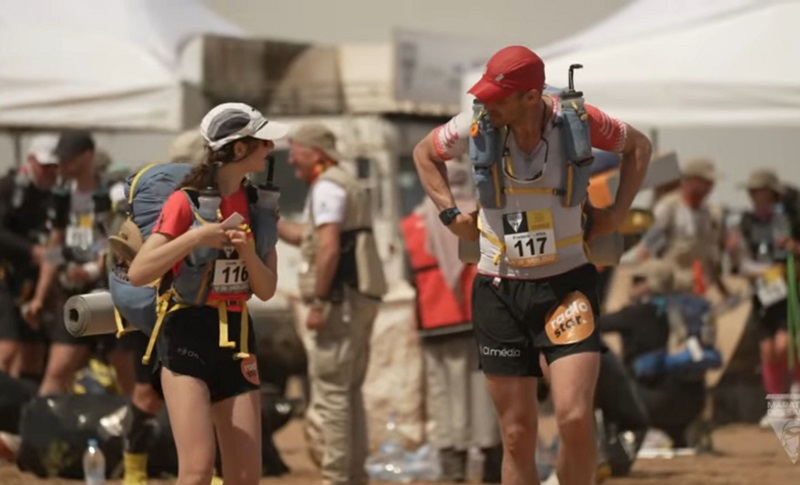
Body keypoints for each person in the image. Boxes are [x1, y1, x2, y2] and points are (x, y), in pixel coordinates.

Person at [412, 45, 651, 485]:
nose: (486, 104)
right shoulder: (476, 124)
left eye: (498, 96)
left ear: (530, 96)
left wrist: (616, 213)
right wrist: (450, 215)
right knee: (518, 434)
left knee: (575, 416)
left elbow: (638, 146)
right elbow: (423, 154)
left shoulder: (577, 121)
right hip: (499, 291)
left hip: (567, 289)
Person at [128, 102, 285, 485]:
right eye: (262, 141)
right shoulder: (186, 202)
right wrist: (198, 236)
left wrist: (246, 249)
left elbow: (265, 290)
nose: (271, 148)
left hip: (237, 336)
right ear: (238, 148)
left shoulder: (257, 207)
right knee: (197, 472)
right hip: (187, 333)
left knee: (246, 476)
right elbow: (139, 272)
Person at [277, 123, 386, 485]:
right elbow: (310, 237)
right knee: (348, 392)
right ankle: (353, 475)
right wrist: (269, 219)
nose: (291, 158)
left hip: (340, 301)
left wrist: (320, 301)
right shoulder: (340, 182)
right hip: (358, 297)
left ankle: (336, 477)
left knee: (332, 394)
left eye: (297, 150)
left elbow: (327, 247)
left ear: (317, 153)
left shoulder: (327, 188)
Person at [112, 129, 209, 485]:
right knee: (150, 394)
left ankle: (141, 471)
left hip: (162, 306)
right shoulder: (168, 195)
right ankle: (136, 469)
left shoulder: (154, 187)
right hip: (157, 303)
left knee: (165, 394)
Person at [400, 161, 502, 482]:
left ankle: (453, 474)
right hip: (483, 323)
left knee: (446, 400)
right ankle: (491, 471)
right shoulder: (485, 219)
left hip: (435, 324)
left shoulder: (412, 225)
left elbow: (408, 277)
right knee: (486, 398)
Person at [23, 130, 119, 396]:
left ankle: (136, 435)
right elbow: (55, 248)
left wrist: (91, 269)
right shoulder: (62, 195)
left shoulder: (110, 193)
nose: (60, 166)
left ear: (86, 156)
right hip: (75, 295)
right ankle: (40, 435)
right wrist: (39, 298)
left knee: (127, 377)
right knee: (57, 372)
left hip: (111, 296)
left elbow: (116, 240)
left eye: (66, 159)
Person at [597, 259, 718, 448]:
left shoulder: (637, 313)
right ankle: (679, 437)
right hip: (694, 402)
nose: (632, 284)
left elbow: (594, 325)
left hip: (653, 402)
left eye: (637, 280)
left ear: (649, 284)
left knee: (601, 384)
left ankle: (632, 437)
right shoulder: (688, 309)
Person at [732, 169, 800, 426]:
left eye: (757, 190)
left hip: (792, 286)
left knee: (788, 343)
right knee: (768, 348)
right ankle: (777, 403)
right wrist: (764, 272)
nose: (752, 195)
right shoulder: (746, 222)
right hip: (765, 289)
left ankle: (796, 396)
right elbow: (743, 260)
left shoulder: (792, 215)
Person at [0, 135, 61, 379]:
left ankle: (24, 411)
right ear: (31, 161)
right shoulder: (8, 187)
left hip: (36, 283)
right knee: (7, 348)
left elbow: (57, 242)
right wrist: (31, 250)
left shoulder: (58, 195)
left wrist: (51, 273)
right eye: (46, 166)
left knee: (34, 351)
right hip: (5, 278)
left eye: (55, 167)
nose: (50, 172)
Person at [630, 158, 730, 296]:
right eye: (705, 182)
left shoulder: (712, 214)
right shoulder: (669, 208)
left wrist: (724, 291)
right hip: (672, 284)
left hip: (700, 287)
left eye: (711, 183)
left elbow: (712, 256)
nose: (710, 186)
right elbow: (646, 248)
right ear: (691, 180)